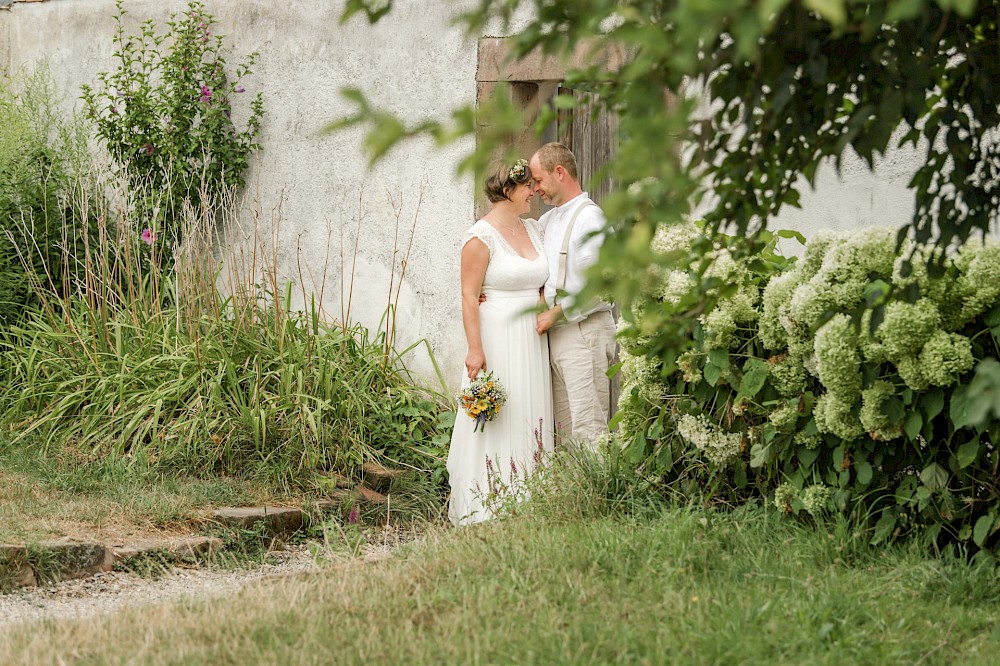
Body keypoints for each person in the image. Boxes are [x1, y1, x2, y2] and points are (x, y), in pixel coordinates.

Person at [446, 158, 554, 526]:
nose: (534, 193)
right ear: (508, 190)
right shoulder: (480, 237)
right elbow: (467, 296)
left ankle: (532, 497)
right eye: (527, 188)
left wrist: (542, 301)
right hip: (496, 339)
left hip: (532, 340)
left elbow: (542, 281)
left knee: (529, 412)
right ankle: (488, 503)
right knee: (500, 417)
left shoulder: (534, 229)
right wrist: (475, 349)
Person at [529, 142, 616, 446]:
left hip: (583, 333)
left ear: (560, 172)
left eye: (539, 180)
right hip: (557, 337)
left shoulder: (589, 219)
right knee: (563, 433)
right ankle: (571, 495)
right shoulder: (547, 220)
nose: (535, 188)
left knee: (588, 429)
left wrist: (555, 312)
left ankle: (597, 494)